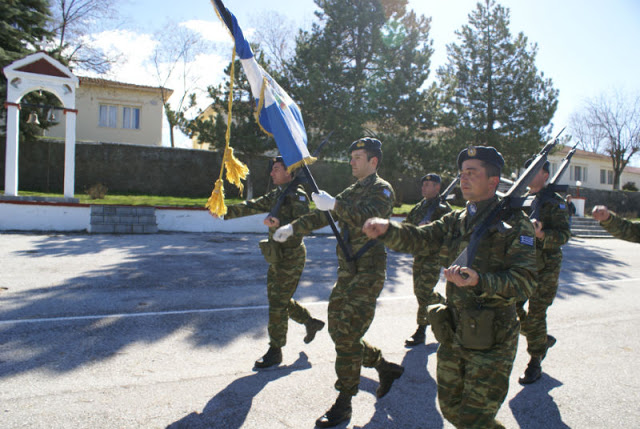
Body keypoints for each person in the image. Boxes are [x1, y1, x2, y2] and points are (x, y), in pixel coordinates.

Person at [362, 146, 537, 429]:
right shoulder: (456, 220)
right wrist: (388, 230)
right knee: (451, 409)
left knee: (474, 419)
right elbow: (421, 238)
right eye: (461, 173)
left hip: (492, 337)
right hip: (454, 329)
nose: (463, 179)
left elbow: (525, 281)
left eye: (472, 173)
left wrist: (481, 280)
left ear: (493, 181)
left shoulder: (516, 225)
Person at [273, 138, 404, 428]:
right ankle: (384, 367)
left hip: (368, 270)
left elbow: (369, 218)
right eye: (352, 156)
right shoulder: (352, 190)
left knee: (345, 336)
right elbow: (324, 213)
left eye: (358, 157)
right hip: (347, 270)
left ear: (374, 162)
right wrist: (293, 227)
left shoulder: (382, 189)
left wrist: (336, 204)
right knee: (338, 330)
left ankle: (344, 402)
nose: (352, 161)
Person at [217, 156, 325, 369]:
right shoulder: (278, 194)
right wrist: (224, 211)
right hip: (277, 255)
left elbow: (303, 226)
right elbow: (253, 205)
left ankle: (275, 350)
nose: (271, 173)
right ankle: (310, 322)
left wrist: (280, 224)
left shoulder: (298, 196)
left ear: (289, 172)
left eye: (276, 169)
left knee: (277, 302)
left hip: (291, 256)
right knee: (279, 299)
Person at [516, 158, 571, 384]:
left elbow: (564, 236)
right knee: (511, 306)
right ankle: (540, 340)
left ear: (546, 175)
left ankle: (535, 361)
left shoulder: (554, 202)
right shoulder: (520, 200)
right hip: (521, 264)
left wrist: (541, 235)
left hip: (545, 267)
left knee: (537, 313)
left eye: (534, 171)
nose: (528, 175)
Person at [403, 173, 451, 346]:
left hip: (433, 256)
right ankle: (444, 303)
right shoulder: (419, 207)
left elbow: (449, 232)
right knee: (420, 291)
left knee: (423, 292)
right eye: (423, 184)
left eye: (428, 184)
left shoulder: (443, 209)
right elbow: (408, 225)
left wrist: (429, 228)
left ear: (437, 188)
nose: (424, 187)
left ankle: (421, 331)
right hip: (419, 254)